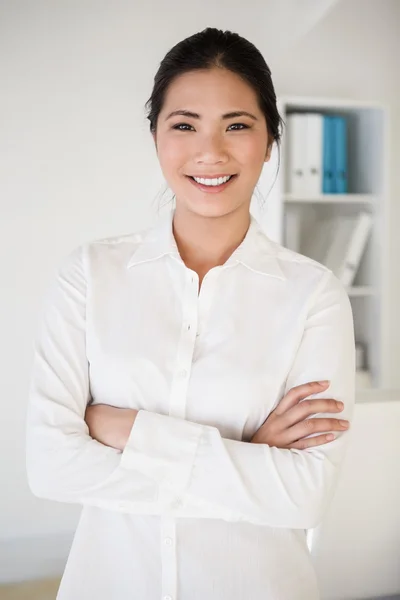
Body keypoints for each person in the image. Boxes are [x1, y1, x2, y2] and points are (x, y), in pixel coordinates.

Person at [25, 27, 355, 600]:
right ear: (155, 135)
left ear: (271, 140)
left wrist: (127, 430)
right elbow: (52, 466)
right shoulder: (89, 275)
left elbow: (303, 496)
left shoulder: (313, 295)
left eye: (237, 125)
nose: (211, 151)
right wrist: (249, 459)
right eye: (184, 125)